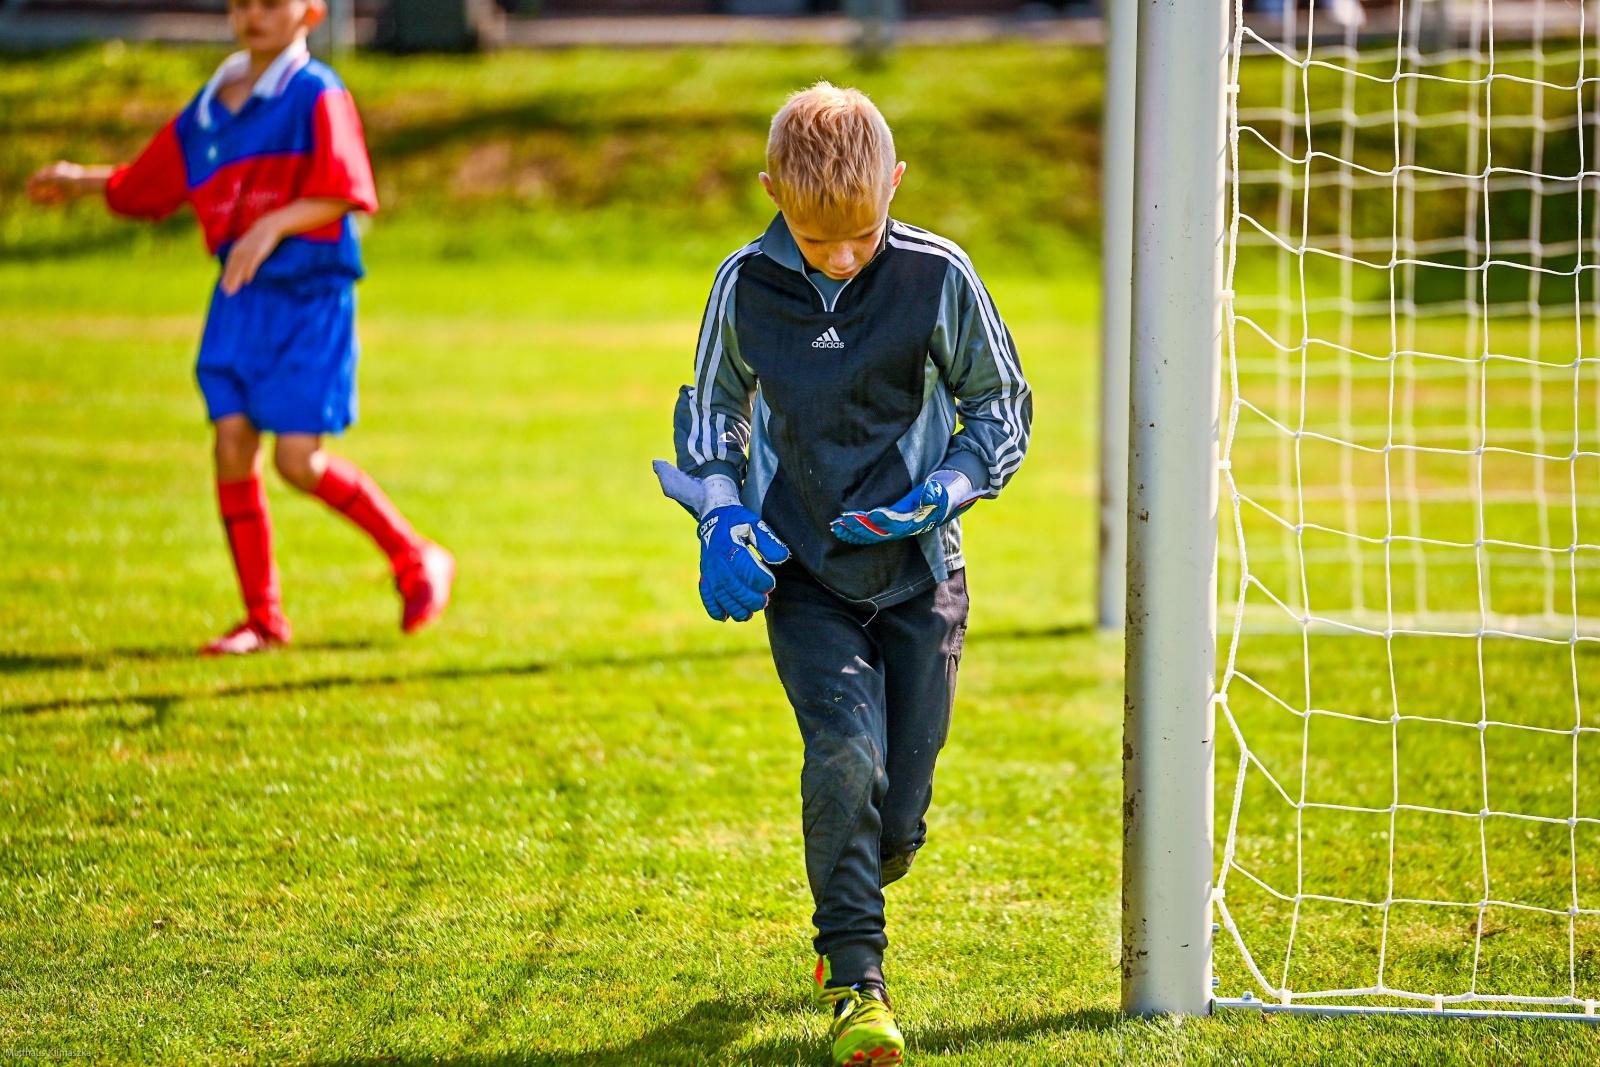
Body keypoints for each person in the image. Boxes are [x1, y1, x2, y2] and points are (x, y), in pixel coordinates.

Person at [656, 82, 1031, 1067]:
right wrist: (722, 514)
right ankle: (855, 981)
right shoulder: (743, 282)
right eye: (817, 237)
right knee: (843, 758)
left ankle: (866, 864)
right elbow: (712, 412)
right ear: (772, 189)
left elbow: (999, 406)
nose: (841, 254)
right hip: (805, 575)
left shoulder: (937, 276)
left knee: (894, 817)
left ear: (893, 186)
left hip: (919, 575)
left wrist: (946, 487)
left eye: (860, 233)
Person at [27, 0, 453, 656]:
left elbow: (347, 190)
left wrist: (273, 222)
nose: (253, 16)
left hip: (310, 297)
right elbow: (150, 185)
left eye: (270, 3)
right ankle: (263, 619)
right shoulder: (210, 103)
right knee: (231, 445)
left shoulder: (317, 93)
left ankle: (415, 555)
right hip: (239, 297)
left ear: (310, 11)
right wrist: (79, 180)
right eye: (241, 3)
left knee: (296, 460)